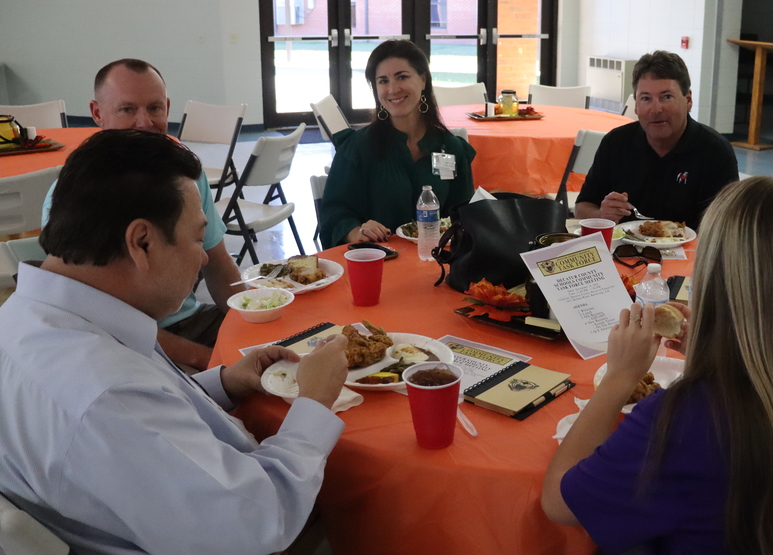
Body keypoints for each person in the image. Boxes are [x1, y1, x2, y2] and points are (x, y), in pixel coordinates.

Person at [0, 129, 351, 555]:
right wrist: (313, 402)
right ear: (142, 242)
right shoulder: (108, 394)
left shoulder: (30, 317)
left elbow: (150, 428)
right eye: (197, 238)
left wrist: (222, 383)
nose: (204, 257)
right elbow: (260, 521)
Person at [544, 176, 773, 555]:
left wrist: (619, 377)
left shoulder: (684, 421)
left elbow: (560, 503)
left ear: (714, 273)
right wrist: (714, 353)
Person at [42, 58, 242, 371]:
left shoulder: (183, 176)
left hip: (189, 318)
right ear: (97, 113)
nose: (144, 122)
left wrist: (250, 319)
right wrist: (209, 360)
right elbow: (97, 318)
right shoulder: (75, 196)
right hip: (128, 343)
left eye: (154, 108)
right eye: (127, 109)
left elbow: (217, 263)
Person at [319, 40, 476, 247]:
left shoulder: (452, 148)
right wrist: (356, 232)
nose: (392, 89)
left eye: (402, 77)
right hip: (379, 261)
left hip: (438, 263)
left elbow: (464, 214)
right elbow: (334, 214)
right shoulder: (357, 148)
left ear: (423, 80)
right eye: (383, 81)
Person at [574, 50, 738, 230]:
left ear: (688, 100)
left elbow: (727, 228)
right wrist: (602, 216)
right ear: (636, 105)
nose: (655, 109)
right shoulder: (615, 143)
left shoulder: (716, 152)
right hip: (624, 252)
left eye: (666, 97)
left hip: (692, 254)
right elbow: (582, 207)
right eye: (646, 98)